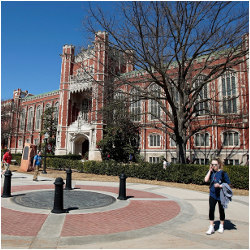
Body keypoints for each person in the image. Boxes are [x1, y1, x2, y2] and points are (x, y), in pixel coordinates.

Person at [204, 158, 231, 235]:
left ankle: (221, 225)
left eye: (215, 164)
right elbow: (206, 180)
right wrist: (209, 170)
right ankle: (211, 227)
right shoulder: (211, 172)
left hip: (221, 195)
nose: (214, 166)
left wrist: (220, 185)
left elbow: (228, 184)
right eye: (212, 164)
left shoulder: (223, 173)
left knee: (221, 210)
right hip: (212, 194)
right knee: (211, 210)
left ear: (219, 165)